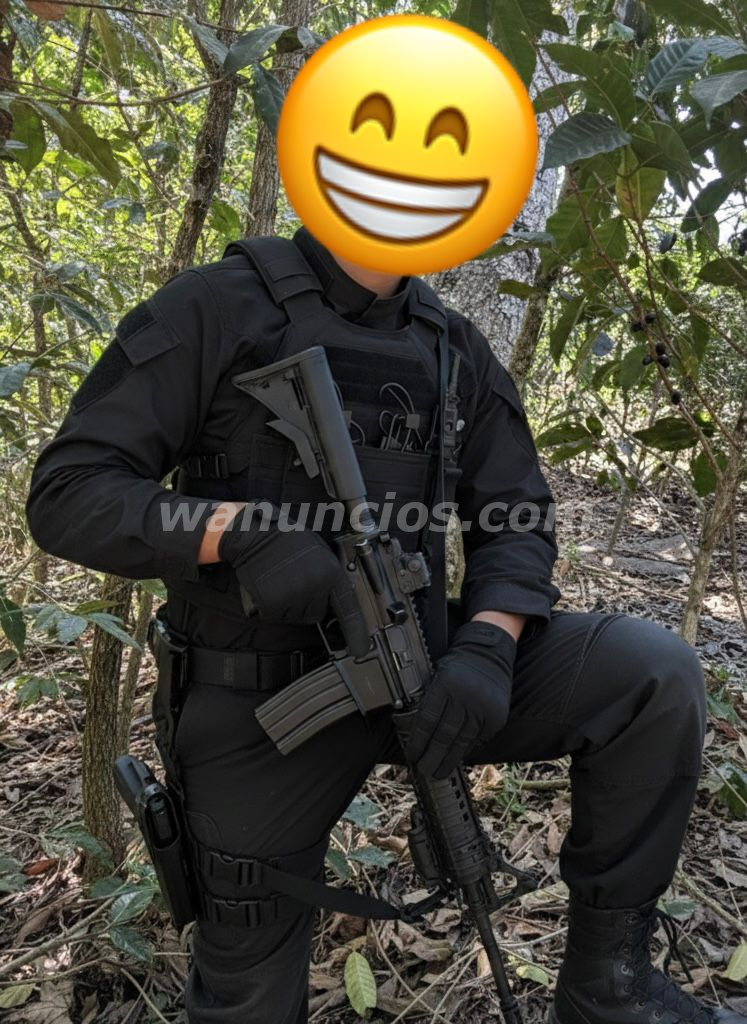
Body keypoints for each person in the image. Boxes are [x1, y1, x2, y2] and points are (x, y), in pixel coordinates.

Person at [25, 225, 741, 1024]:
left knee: (650, 674)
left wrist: (488, 645)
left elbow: (516, 516)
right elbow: (69, 493)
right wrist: (237, 532)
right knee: (247, 976)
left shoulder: (451, 346)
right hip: (257, 697)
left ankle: (610, 988)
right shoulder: (215, 307)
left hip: (421, 665)